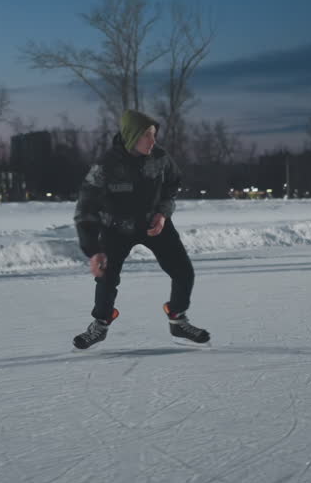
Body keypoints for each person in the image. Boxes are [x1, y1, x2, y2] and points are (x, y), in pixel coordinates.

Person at [71, 109, 210, 350]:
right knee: (106, 276)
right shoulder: (106, 165)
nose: (153, 141)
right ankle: (101, 324)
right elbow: (86, 208)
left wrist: (163, 214)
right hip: (116, 228)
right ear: (131, 136)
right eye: (147, 135)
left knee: (183, 271)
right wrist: (93, 250)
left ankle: (177, 318)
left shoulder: (160, 157)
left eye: (154, 135)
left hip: (153, 224)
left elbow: (173, 184)